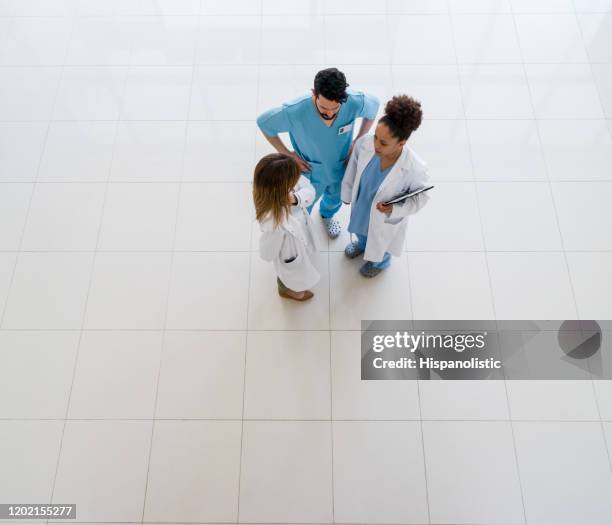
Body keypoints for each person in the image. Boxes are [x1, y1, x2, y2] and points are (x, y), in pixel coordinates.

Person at [256, 68, 379, 239]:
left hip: (340, 165)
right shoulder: (295, 111)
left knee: (335, 197)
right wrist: (287, 154)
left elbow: (374, 107)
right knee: (304, 203)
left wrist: (359, 139)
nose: (329, 114)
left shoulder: (354, 102)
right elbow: (263, 123)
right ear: (314, 93)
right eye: (323, 108)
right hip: (310, 170)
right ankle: (303, 224)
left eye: (335, 109)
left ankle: (326, 216)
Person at [342, 95, 432, 278]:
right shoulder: (365, 144)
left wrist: (395, 208)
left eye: (383, 143)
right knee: (362, 229)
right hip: (363, 202)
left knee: (380, 242)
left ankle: (380, 262)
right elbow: (353, 168)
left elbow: (421, 197)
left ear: (401, 143)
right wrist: (347, 192)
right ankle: (361, 245)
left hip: (385, 215)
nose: (375, 145)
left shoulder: (415, 168)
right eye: (376, 137)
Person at [254, 153, 320, 301]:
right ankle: (287, 290)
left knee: (304, 261)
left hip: (302, 231)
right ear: (282, 186)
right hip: (289, 254)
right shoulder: (272, 222)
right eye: (293, 181)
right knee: (295, 281)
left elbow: (310, 191)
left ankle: (290, 285)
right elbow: (267, 254)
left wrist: (296, 198)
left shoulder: (290, 185)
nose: (297, 181)